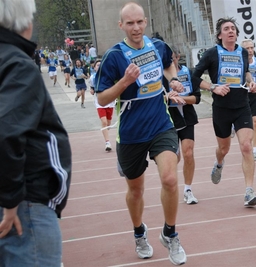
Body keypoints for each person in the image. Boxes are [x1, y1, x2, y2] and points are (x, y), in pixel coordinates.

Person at [95, 2, 187, 265]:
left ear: (145, 22)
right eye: (130, 23)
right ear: (121, 26)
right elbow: (102, 98)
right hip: (132, 132)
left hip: (161, 124)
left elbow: (170, 65)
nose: (135, 28)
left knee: (169, 178)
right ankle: (139, 232)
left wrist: (173, 80)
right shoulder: (114, 56)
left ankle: (170, 233)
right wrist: (124, 81)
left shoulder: (157, 46)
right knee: (136, 190)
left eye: (139, 22)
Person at [0, 1, 72, 266]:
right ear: (24, 21)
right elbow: (7, 132)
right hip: (25, 202)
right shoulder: (18, 65)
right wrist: (10, 200)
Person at [192, 17, 256, 207]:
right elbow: (194, 76)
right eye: (226, 29)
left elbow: (246, 72)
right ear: (220, 34)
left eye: (233, 28)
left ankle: (249, 191)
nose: (231, 31)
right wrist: (213, 87)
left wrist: (250, 82)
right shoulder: (212, 54)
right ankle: (219, 163)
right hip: (221, 109)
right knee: (224, 149)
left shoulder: (242, 52)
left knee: (246, 146)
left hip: (242, 106)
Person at [166, 45, 202, 205]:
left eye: (172, 58)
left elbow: (197, 98)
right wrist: (168, 97)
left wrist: (182, 99)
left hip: (187, 116)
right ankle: (171, 186)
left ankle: (188, 189)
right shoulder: (161, 76)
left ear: (177, 57)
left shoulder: (188, 72)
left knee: (188, 153)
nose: (170, 62)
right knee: (175, 157)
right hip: (169, 119)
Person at [89, 59, 115, 152]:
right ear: (94, 67)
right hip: (100, 103)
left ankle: (106, 134)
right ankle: (107, 142)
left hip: (110, 102)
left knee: (108, 123)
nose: (99, 66)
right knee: (103, 122)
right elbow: (92, 88)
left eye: (101, 65)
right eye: (97, 65)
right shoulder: (92, 78)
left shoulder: (109, 76)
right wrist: (92, 91)